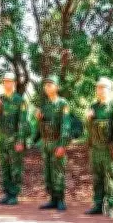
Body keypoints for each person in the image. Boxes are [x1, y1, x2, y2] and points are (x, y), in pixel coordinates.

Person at [85, 77, 113, 218]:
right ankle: (97, 205)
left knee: (110, 177)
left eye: (103, 87)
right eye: (98, 87)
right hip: (95, 148)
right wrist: (88, 119)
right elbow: (89, 129)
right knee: (97, 177)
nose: (100, 90)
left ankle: (110, 206)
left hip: (109, 149)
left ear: (109, 90)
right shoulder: (93, 107)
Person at [35, 75, 72, 211]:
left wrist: (62, 145)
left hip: (57, 142)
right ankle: (52, 199)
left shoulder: (62, 104)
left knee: (58, 171)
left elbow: (65, 125)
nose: (47, 87)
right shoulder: (44, 106)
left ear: (57, 87)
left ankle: (60, 199)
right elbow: (41, 126)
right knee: (48, 172)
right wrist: (39, 118)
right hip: (46, 143)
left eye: (50, 85)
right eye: (45, 85)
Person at [0, 73, 30, 206]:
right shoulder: (1, 99)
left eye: (9, 81)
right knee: (4, 167)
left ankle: (14, 194)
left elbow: (22, 122)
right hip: (3, 139)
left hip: (15, 139)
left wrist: (20, 140)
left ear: (14, 83)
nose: (7, 83)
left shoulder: (20, 100)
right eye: (5, 81)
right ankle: (7, 193)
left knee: (15, 167)